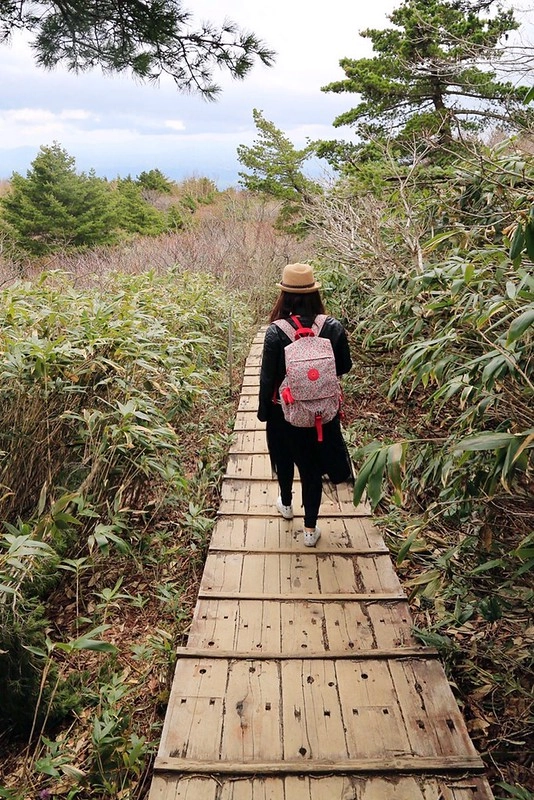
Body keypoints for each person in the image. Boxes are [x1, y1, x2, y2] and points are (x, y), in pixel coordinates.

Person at [257, 262, 353, 547]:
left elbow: (267, 377)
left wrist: (264, 412)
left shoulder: (276, 332)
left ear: (284, 295)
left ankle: (286, 505)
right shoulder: (332, 326)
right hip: (322, 414)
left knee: (284, 459)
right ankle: (310, 530)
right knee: (312, 468)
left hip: (283, 411)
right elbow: (344, 367)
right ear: (314, 293)